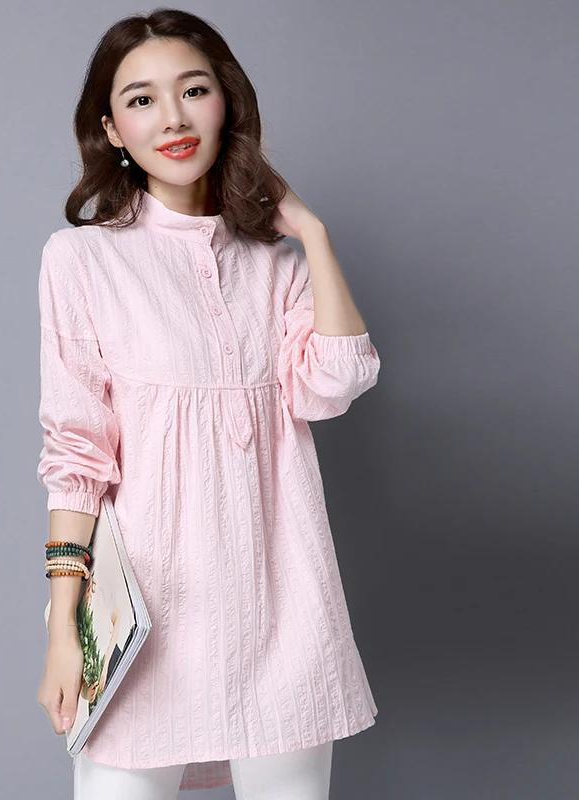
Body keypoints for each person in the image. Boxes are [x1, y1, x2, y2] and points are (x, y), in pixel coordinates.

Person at [35, 9, 382, 799]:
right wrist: (63, 630)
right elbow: (77, 455)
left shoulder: (277, 265)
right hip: (144, 618)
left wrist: (312, 234)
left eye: (193, 90)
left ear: (226, 102)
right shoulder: (82, 259)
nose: (174, 118)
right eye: (142, 100)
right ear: (113, 130)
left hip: (282, 608)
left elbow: (334, 384)